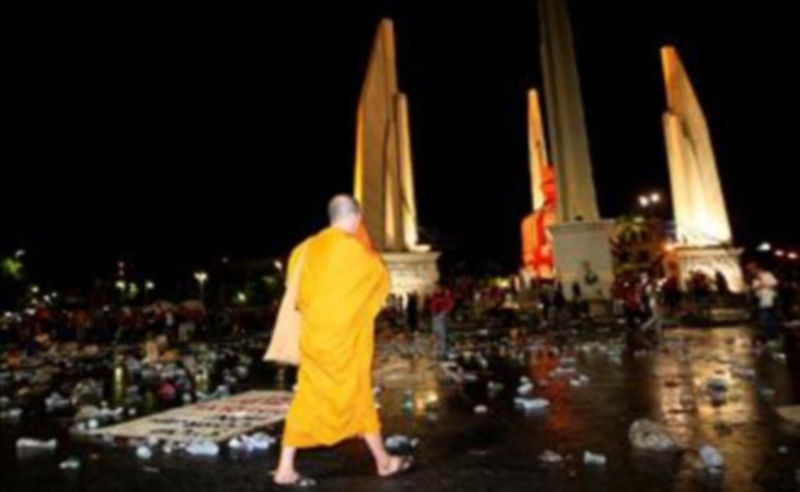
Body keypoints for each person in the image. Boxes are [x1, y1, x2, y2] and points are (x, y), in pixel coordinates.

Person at [272, 195, 412, 487]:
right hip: (345, 344)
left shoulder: (306, 248)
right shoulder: (353, 251)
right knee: (358, 395)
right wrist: (364, 241)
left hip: (313, 340)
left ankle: (286, 468)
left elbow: (294, 286)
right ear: (357, 216)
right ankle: (383, 462)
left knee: (308, 397)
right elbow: (380, 278)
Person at [747, 262, 780, 340]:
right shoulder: (755, 279)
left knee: (768, 319)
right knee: (765, 320)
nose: (751, 272)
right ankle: (771, 336)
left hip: (770, 299)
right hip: (762, 301)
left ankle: (773, 336)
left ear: (756, 268)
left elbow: (774, 284)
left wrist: (763, 284)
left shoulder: (767, 275)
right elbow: (754, 289)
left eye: (751, 269)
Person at [430, 285, 454, 360]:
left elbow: (450, 305)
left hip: (441, 317)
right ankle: (439, 352)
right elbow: (432, 307)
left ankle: (442, 353)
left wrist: (444, 312)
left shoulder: (444, 297)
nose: (435, 290)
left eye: (437, 289)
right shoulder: (435, 297)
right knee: (437, 336)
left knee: (442, 336)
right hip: (435, 317)